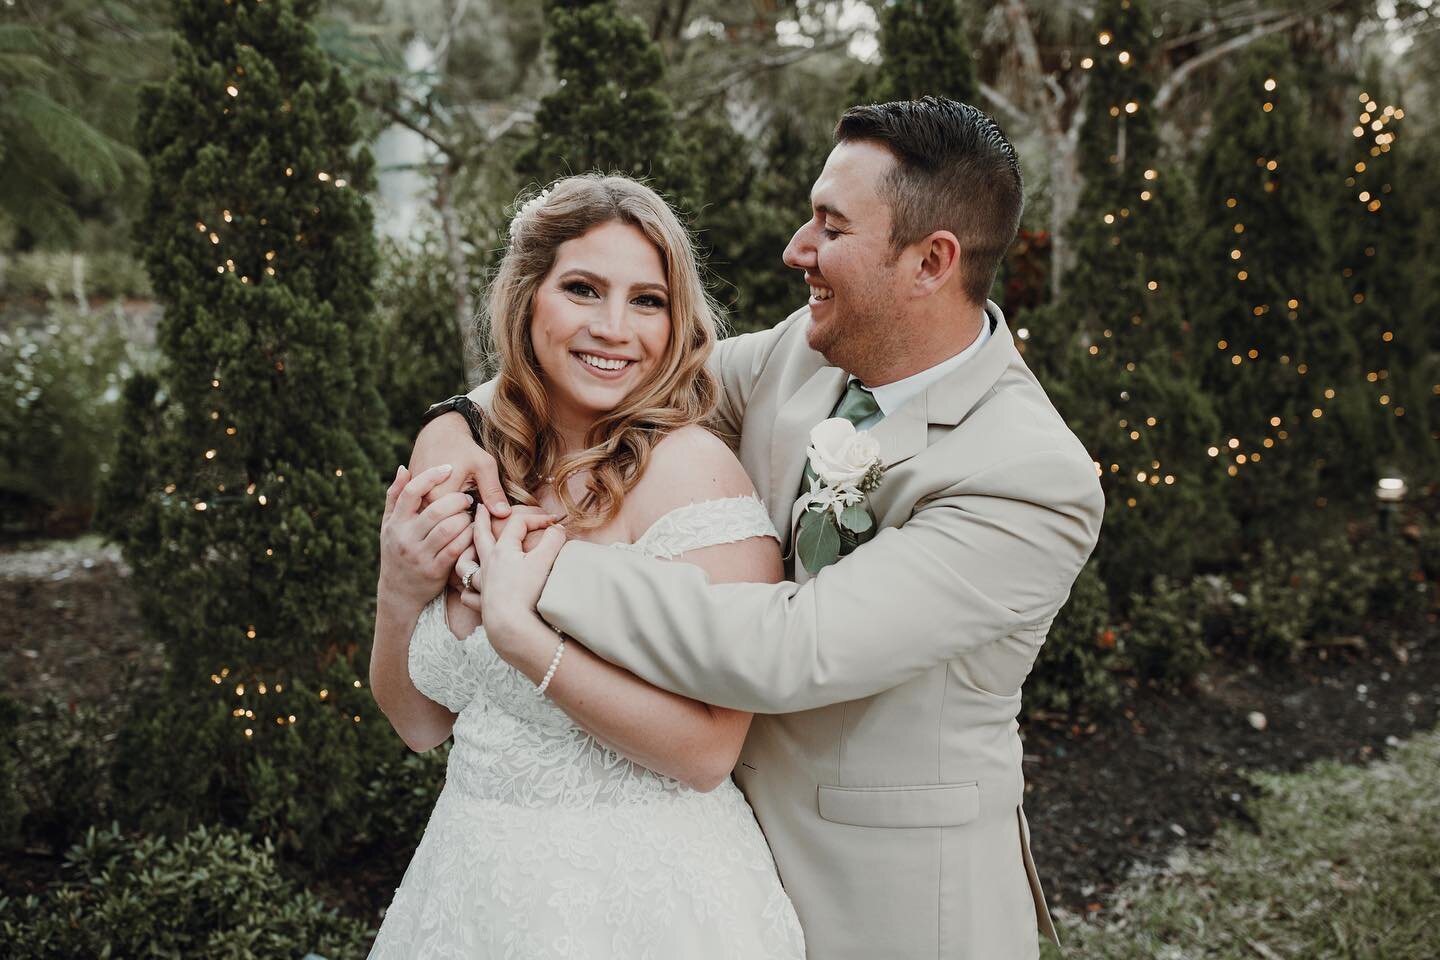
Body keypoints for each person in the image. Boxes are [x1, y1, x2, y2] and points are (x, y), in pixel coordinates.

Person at [412, 97, 1106, 959]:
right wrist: (454, 425)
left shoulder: (1027, 477)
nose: (796, 250)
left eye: (830, 226)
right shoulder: (804, 354)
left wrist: (537, 566)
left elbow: (791, 649)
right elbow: (613, 368)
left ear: (931, 261)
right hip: (705, 868)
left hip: (889, 901)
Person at [366, 174, 806, 958]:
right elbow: (420, 725)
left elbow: (708, 754)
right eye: (582, 289)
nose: (614, 328)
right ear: (526, 297)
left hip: (642, 904)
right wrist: (397, 596)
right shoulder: (481, 464)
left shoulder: (692, 473)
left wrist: (522, 638)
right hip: (468, 892)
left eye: (648, 300)